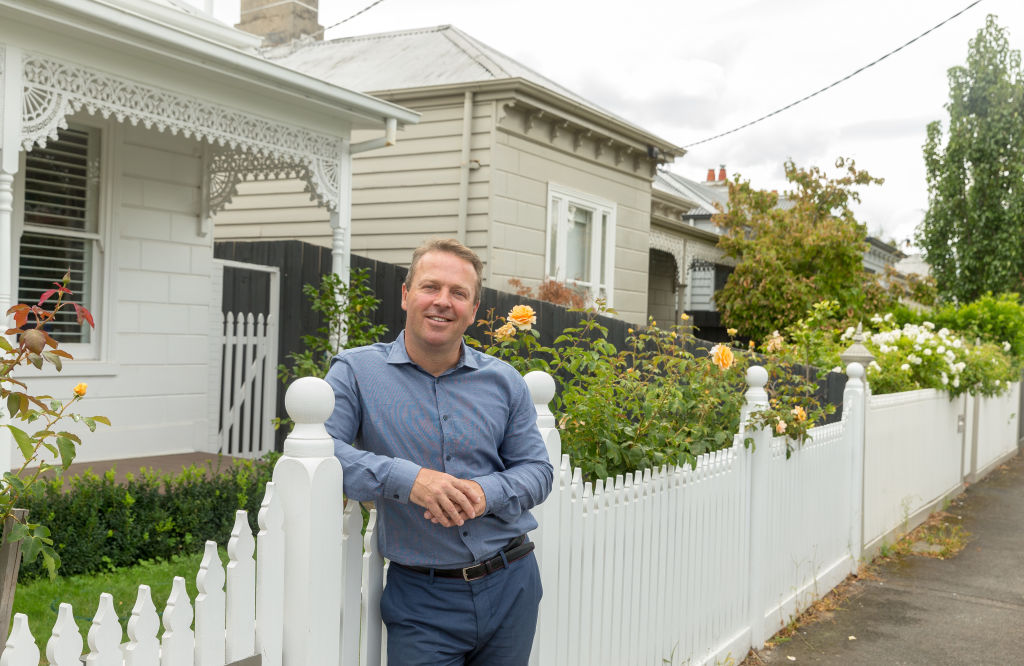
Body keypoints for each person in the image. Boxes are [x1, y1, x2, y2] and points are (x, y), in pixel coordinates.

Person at [324, 238, 554, 666]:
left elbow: (539, 471)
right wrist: (410, 480)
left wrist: (486, 493)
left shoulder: (505, 381)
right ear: (406, 294)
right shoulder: (355, 372)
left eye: (458, 293)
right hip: (422, 599)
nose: (443, 302)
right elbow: (321, 454)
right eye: (431, 287)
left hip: (512, 582)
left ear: (475, 309)